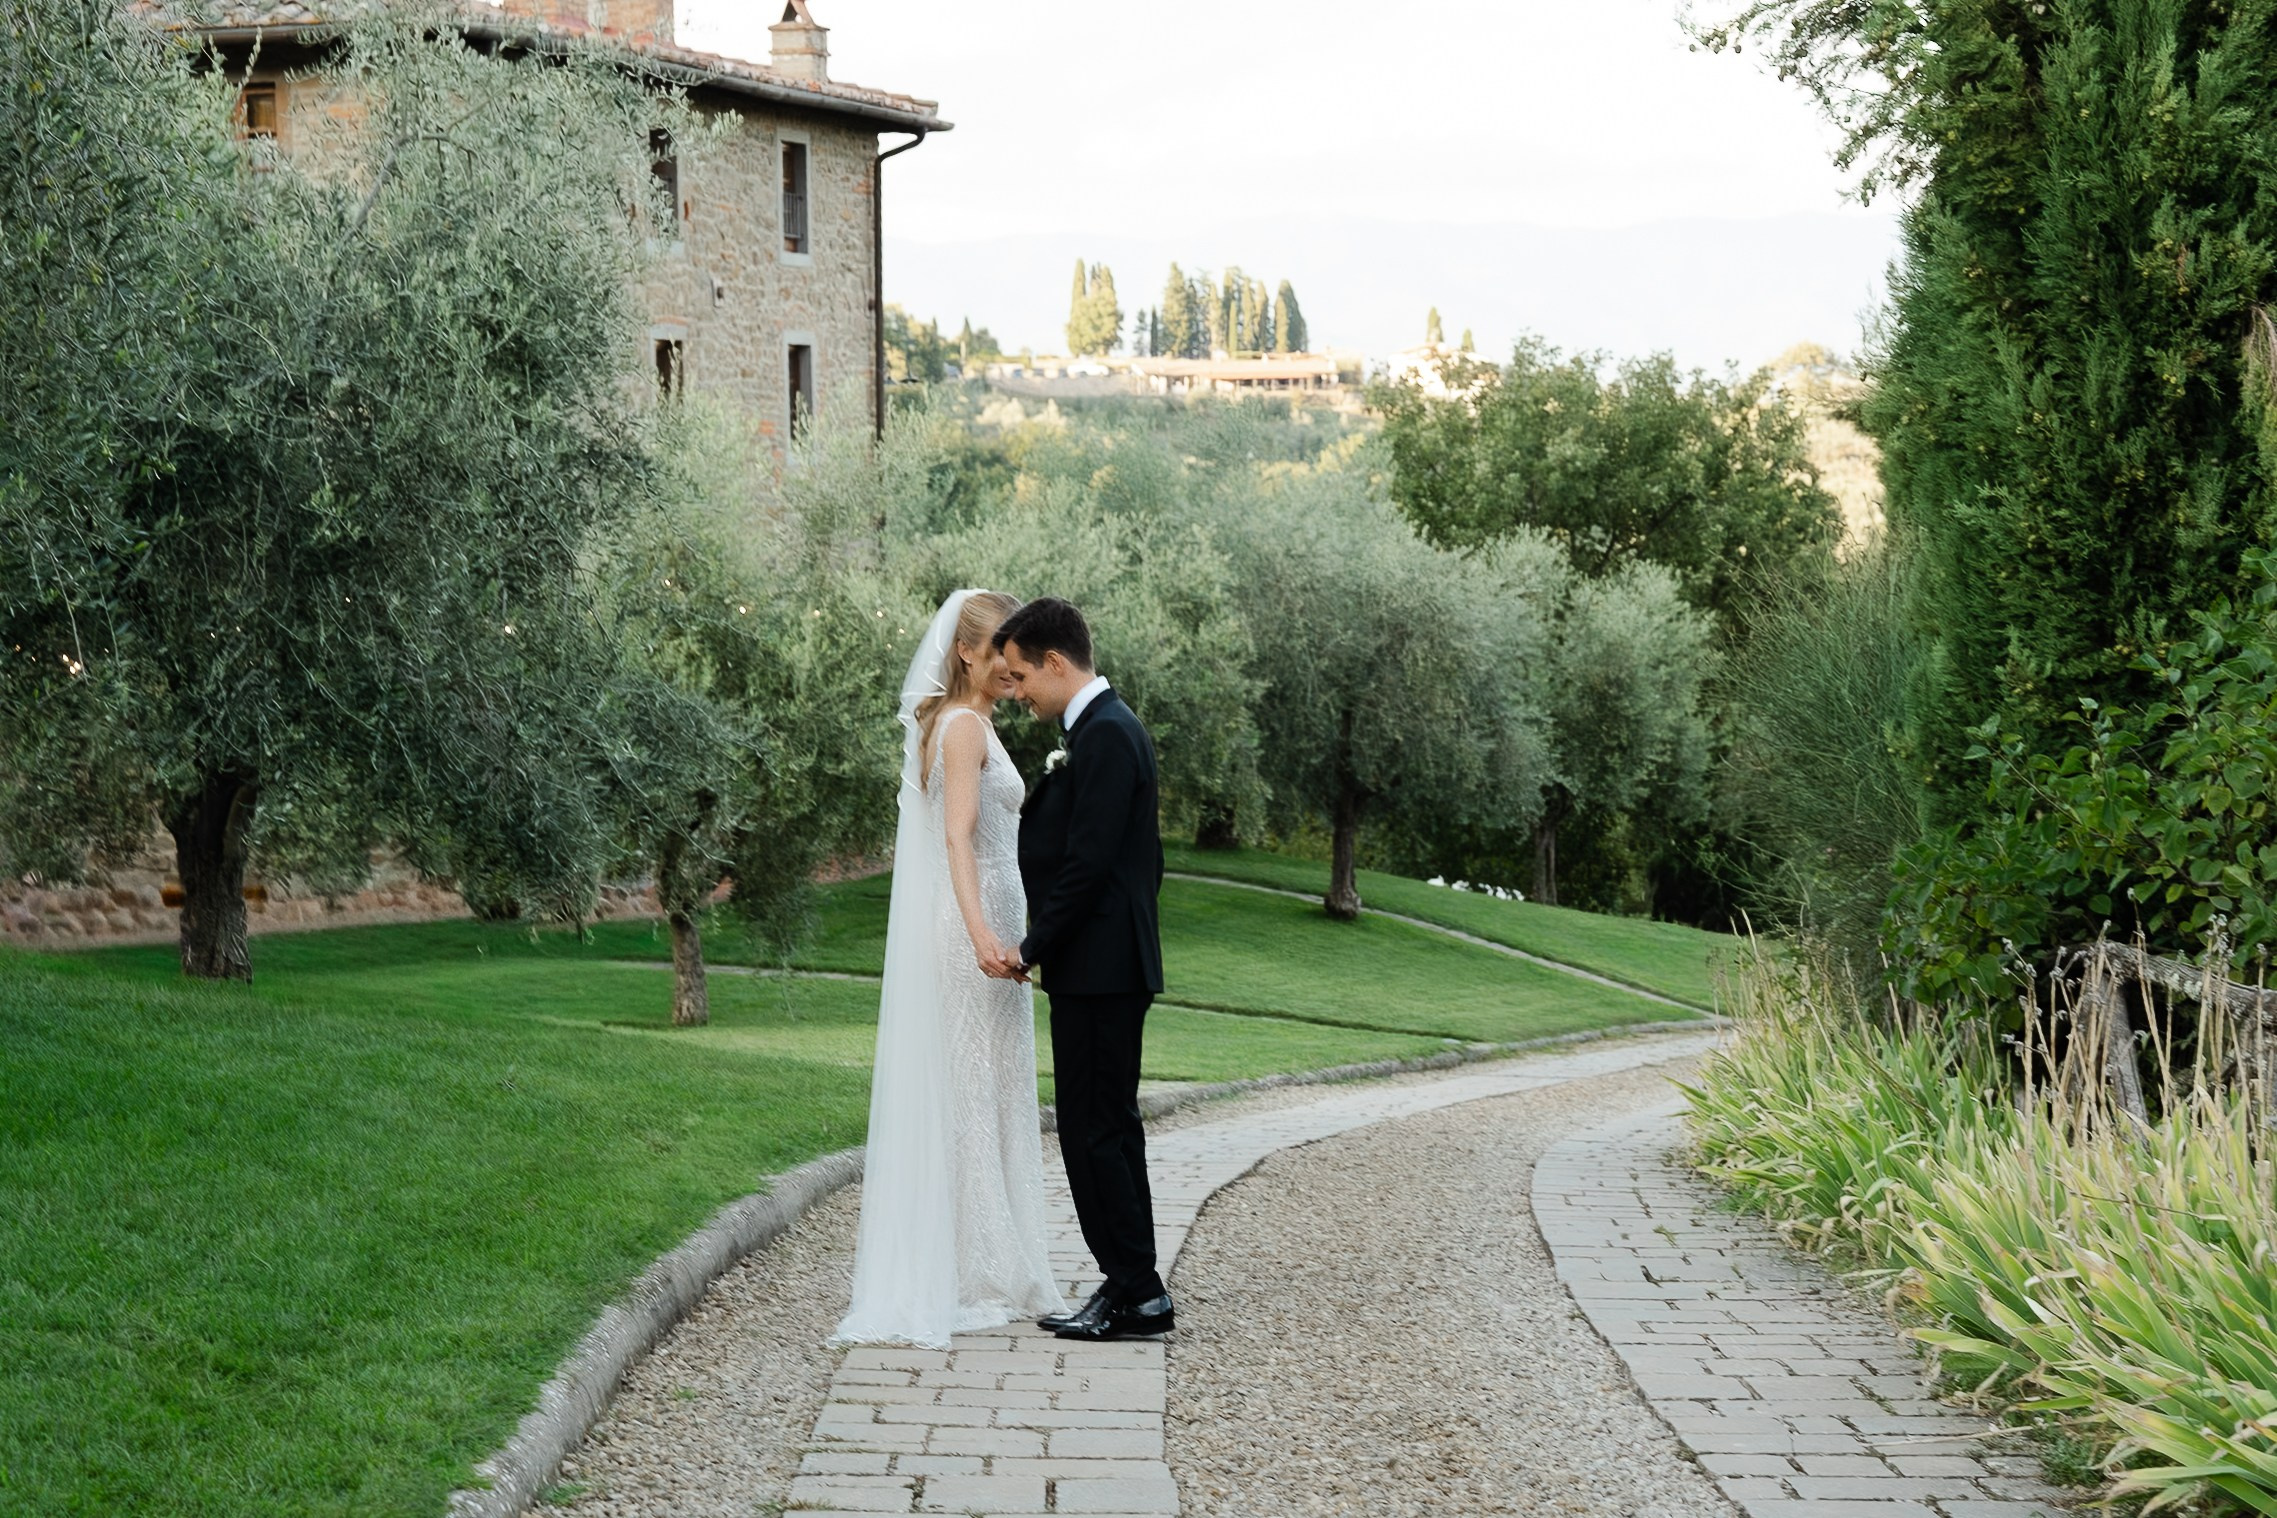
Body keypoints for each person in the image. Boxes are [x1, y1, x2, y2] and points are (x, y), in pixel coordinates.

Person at [833, 589, 1065, 1349]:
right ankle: (974, 1272)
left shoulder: (971, 724)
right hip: (975, 930)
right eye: (1001, 646)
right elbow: (957, 840)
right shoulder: (962, 727)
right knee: (972, 1092)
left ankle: (993, 1259)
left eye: (1018, 648)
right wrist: (981, 934)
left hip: (992, 922)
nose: (1012, 661)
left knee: (990, 1086)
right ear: (965, 651)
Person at [986, 597, 1173, 1342]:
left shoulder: (1105, 737)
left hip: (1100, 966)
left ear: (1056, 663)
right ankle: (1131, 1285)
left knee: (1095, 1131)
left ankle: (1136, 1292)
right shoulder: (1098, 731)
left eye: (1020, 675)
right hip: (1100, 963)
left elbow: (1091, 864)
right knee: (1105, 1128)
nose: (1016, 691)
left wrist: (1030, 947)